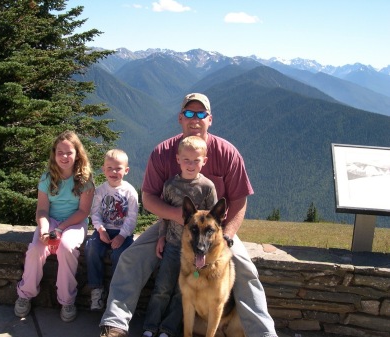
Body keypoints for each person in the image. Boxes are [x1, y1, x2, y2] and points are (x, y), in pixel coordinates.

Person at [99, 93, 278, 337]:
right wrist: (175, 216)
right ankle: (115, 324)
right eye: (190, 114)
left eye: (201, 114)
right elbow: (149, 198)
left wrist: (227, 235)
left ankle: (264, 333)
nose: (195, 119)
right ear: (180, 118)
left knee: (246, 270)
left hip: (215, 233)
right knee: (132, 258)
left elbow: (239, 200)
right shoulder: (163, 152)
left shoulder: (228, 153)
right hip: (171, 226)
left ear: (210, 119)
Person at [14, 130, 95, 323]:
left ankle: (67, 300)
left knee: (66, 248)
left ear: (77, 154)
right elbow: (42, 210)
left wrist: (60, 229)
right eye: (60, 152)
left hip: (74, 223)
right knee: (35, 249)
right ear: (54, 154)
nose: (64, 157)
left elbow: (83, 212)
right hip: (50, 221)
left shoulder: (85, 180)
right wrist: (44, 229)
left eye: (69, 152)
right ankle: (25, 294)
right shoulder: (46, 178)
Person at [142, 136, 217, 337]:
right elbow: (164, 217)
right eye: (186, 160)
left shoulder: (207, 188)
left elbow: (213, 222)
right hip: (173, 246)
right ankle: (150, 325)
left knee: (182, 292)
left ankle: (168, 328)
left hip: (195, 251)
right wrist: (161, 238)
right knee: (162, 287)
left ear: (204, 161)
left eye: (196, 160)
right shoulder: (169, 186)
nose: (191, 165)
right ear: (178, 159)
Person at [85, 149, 138, 311]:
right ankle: (97, 289)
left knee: (120, 254)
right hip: (104, 230)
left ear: (126, 170)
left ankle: (115, 291)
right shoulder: (100, 190)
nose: (113, 172)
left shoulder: (130, 192)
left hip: (123, 233)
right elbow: (95, 213)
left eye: (118, 168)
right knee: (91, 248)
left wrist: (122, 236)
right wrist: (100, 230)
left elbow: (131, 218)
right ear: (103, 169)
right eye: (109, 168)